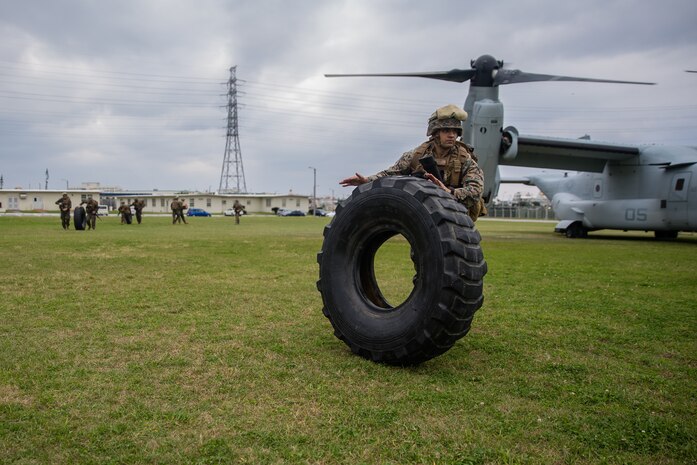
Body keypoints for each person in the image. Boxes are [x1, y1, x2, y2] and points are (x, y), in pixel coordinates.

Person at [340, 104, 486, 220]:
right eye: (446, 130)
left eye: (455, 131)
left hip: (457, 213)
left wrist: (450, 191)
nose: (451, 135)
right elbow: (392, 173)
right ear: (435, 133)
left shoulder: (464, 159)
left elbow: (476, 189)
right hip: (428, 213)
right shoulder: (417, 155)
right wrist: (367, 180)